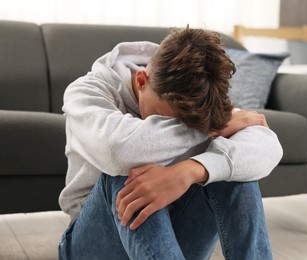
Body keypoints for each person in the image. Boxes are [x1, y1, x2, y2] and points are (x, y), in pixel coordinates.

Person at [58, 26, 283, 260]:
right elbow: (118, 149)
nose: (170, 129)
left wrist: (192, 170)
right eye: (165, 121)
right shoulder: (87, 91)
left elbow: (269, 147)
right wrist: (206, 129)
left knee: (234, 173)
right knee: (130, 170)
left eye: (186, 123)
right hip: (94, 245)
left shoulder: (198, 96)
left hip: (172, 242)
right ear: (141, 80)